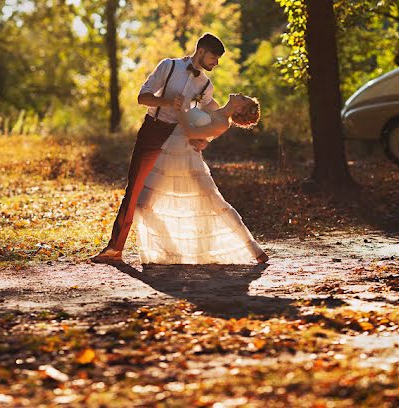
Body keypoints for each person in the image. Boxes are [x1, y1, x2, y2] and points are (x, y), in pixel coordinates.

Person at [90, 33, 224, 264]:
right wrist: (168, 102)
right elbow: (143, 97)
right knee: (135, 190)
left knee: (187, 195)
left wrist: (206, 139)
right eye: (214, 56)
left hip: (180, 138)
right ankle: (115, 249)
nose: (216, 63)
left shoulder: (206, 85)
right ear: (201, 50)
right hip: (153, 131)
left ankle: (185, 251)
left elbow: (205, 116)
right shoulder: (168, 66)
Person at [132, 93, 268, 264]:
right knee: (142, 205)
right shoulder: (213, 105)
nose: (240, 94)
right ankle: (171, 250)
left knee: (216, 203)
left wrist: (179, 109)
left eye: (243, 99)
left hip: (188, 157)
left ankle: (254, 249)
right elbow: (197, 105)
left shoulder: (223, 123)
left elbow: (190, 131)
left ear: (239, 109)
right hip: (168, 152)